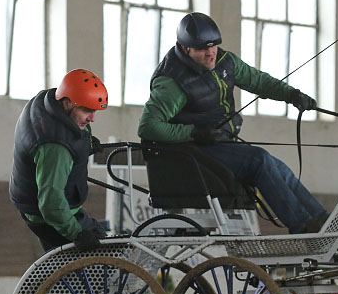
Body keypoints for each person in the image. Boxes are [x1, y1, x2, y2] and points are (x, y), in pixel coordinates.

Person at [138, 12, 328, 234]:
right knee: (259, 160)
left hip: (219, 143)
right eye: (201, 49)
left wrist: (292, 95)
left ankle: (323, 221)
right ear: (185, 48)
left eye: (213, 46)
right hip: (194, 151)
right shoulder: (172, 82)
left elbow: (258, 81)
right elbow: (148, 127)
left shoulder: (225, 62)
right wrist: (194, 132)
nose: (210, 53)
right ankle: (303, 226)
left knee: (279, 168)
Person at [10, 69, 109, 252]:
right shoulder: (55, 146)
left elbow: (67, 135)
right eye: (87, 110)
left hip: (51, 207)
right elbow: (51, 204)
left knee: (100, 238)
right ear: (67, 103)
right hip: (50, 216)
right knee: (96, 256)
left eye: (94, 111)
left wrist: (83, 145)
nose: (92, 118)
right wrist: (77, 235)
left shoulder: (47, 103)